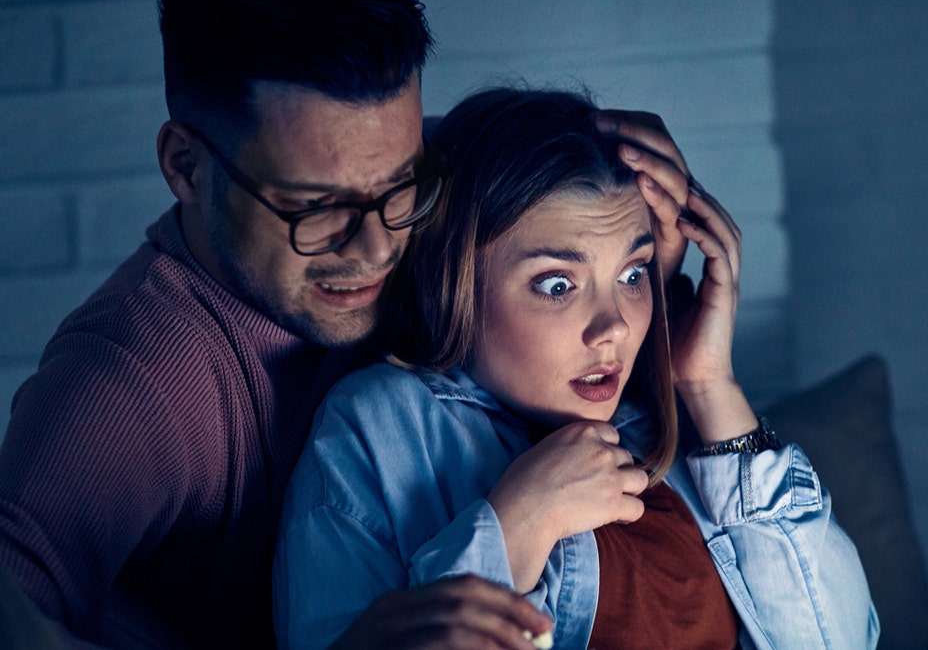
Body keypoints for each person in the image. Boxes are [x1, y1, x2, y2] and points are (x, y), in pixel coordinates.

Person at [0, 0, 694, 647]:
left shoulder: (423, 187)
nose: (377, 247)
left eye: (402, 186)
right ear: (186, 166)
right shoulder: (124, 384)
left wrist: (659, 253)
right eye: (317, 208)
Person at [274, 88, 879, 649]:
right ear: (452, 283)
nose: (613, 326)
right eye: (557, 283)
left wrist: (709, 386)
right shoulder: (379, 426)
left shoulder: (665, 422)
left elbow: (838, 639)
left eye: (632, 274)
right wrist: (515, 529)